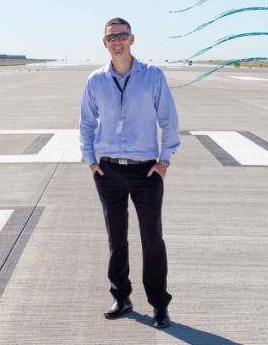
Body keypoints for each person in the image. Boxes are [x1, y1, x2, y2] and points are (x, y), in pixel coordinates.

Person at [79, 17, 180, 329]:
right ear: (104, 43)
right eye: (112, 37)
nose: (117, 41)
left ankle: (159, 305)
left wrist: (164, 161)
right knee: (116, 238)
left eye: (122, 35)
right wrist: (91, 160)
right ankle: (121, 297)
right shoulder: (96, 80)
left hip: (146, 172)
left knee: (152, 239)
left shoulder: (152, 76)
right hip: (108, 171)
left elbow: (168, 119)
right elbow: (86, 122)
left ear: (132, 39)